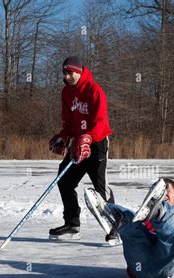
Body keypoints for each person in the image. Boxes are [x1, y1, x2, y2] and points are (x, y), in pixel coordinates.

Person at [49, 56, 119, 245]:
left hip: (96, 143)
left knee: (100, 187)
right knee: (64, 180)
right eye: (64, 72)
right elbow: (69, 123)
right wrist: (64, 136)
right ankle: (72, 225)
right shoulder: (66, 92)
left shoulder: (94, 90)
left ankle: (116, 227)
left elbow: (101, 123)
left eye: (70, 72)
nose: (67, 76)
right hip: (77, 144)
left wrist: (88, 138)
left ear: (79, 72)